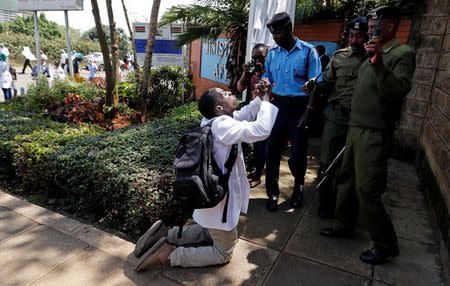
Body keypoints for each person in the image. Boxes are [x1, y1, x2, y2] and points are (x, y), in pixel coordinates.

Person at [133, 80, 278, 271]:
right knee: (223, 252)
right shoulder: (223, 125)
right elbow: (261, 130)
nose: (231, 93)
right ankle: (170, 255)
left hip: (211, 192)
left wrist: (259, 98)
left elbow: (246, 114)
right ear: (219, 108)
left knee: (209, 230)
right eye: (226, 94)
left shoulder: (214, 121)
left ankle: (168, 233)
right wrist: (266, 99)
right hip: (220, 198)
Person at [320, 6, 416, 265]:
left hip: (374, 133)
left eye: (375, 28)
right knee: (346, 179)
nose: (370, 32)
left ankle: (385, 243)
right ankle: (343, 225)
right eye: (369, 28)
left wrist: (378, 63)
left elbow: (397, 91)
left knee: (367, 189)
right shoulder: (373, 53)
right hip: (354, 128)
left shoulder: (401, 54)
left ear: (391, 26)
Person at [307, 17, 368, 218]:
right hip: (337, 117)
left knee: (352, 168)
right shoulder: (340, 56)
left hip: (363, 121)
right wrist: (314, 85)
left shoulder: (376, 58)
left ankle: (346, 210)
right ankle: (324, 204)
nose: (355, 40)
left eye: (360, 36)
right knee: (327, 162)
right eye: (352, 36)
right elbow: (327, 81)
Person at [263, 12, 321, 211]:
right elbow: (268, 79)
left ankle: (298, 188)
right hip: (278, 107)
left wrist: (308, 112)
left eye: (278, 33)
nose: (275, 37)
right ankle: (272, 193)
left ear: (289, 29)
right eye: (273, 34)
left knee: (297, 155)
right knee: (272, 152)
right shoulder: (272, 54)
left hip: (299, 108)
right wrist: (264, 83)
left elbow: (316, 85)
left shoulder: (308, 52)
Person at [236, 43, 269, 188]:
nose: (257, 61)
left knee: (261, 144)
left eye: (261, 57)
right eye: (254, 58)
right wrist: (246, 73)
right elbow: (240, 87)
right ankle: (257, 169)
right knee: (255, 144)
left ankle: (257, 176)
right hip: (253, 109)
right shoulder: (252, 69)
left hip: (266, 111)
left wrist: (263, 73)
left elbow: (271, 88)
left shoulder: (271, 69)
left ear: (267, 56)